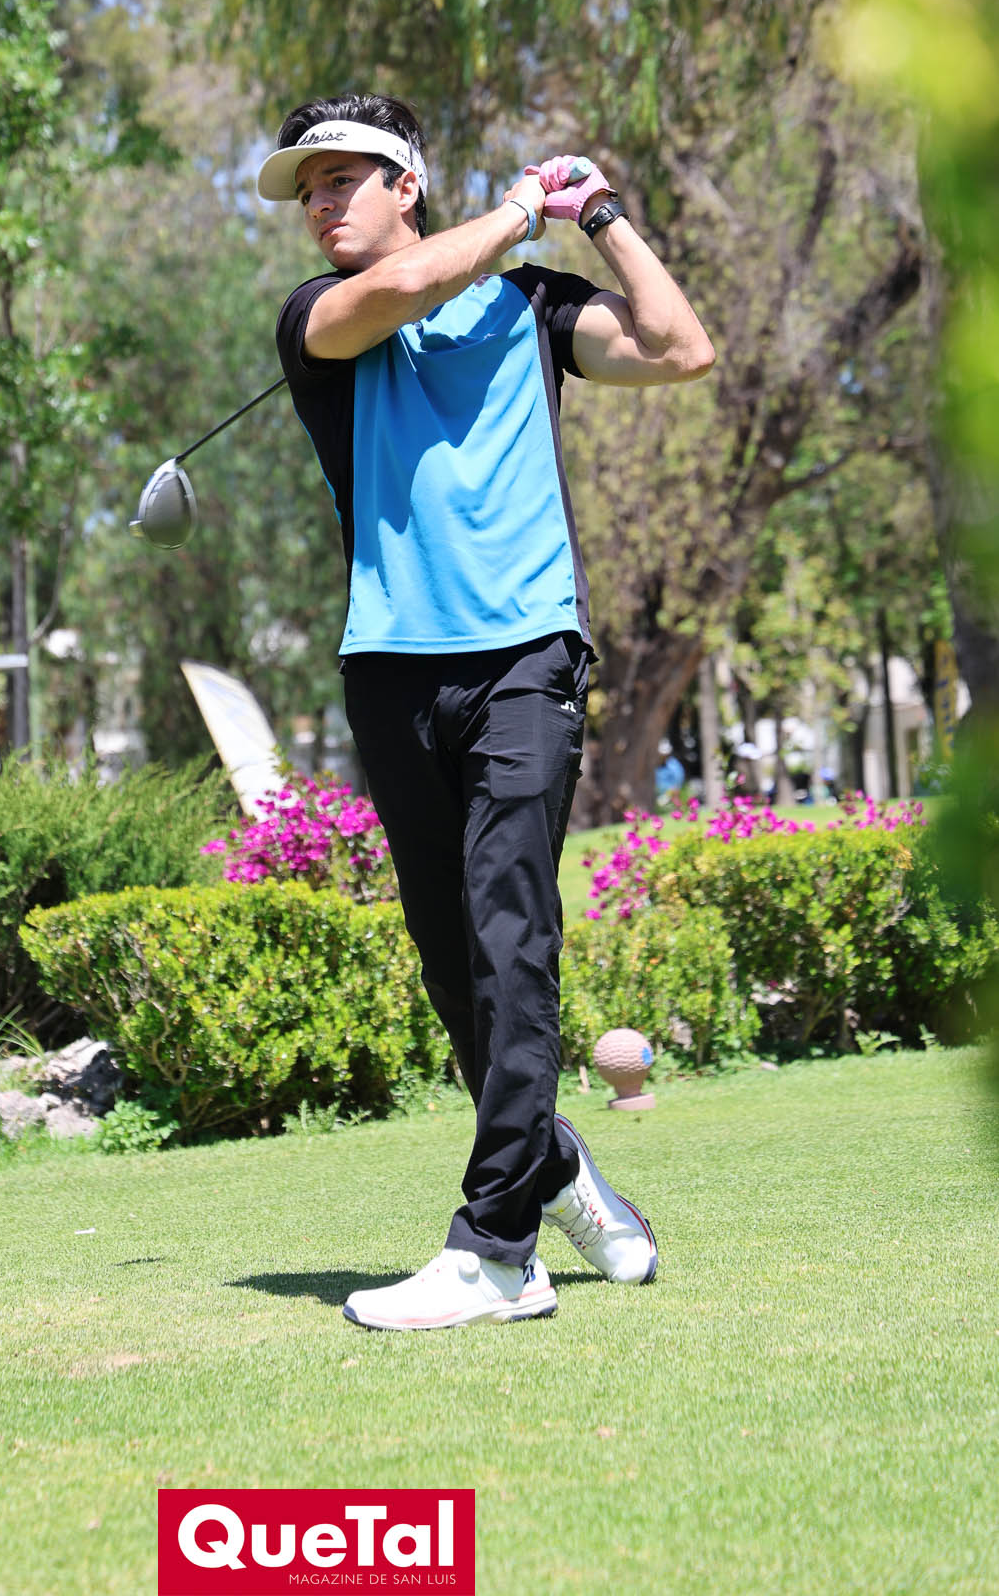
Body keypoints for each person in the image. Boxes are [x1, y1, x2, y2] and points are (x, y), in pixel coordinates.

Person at [262, 92, 716, 1332]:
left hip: (524, 655)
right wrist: (521, 209)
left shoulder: (531, 306)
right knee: (454, 962)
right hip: (390, 667)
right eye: (308, 186)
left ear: (406, 184)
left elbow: (682, 347)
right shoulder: (318, 319)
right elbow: (402, 290)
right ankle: (557, 1167)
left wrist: (601, 217)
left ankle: (497, 1251)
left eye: (344, 177)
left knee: (513, 936)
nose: (320, 201)